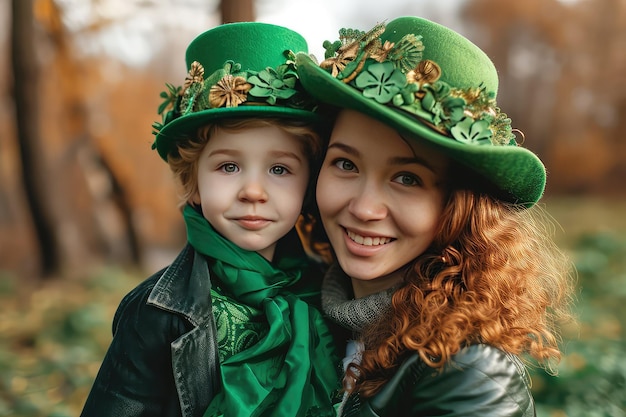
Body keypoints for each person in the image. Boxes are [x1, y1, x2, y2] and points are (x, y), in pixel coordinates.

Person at [295, 16, 576, 416]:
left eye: (407, 178)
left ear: (457, 208)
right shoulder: (308, 316)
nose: (363, 208)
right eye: (345, 164)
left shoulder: (468, 371)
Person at [80, 22, 341, 417]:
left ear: (307, 187)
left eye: (280, 170)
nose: (253, 191)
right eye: (229, 166)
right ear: (195, 183)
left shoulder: (329, 293)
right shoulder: (155, 315)